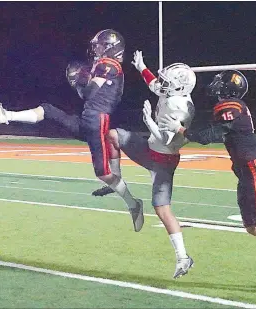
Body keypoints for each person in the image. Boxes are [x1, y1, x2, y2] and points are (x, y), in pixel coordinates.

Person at [0, 29, 144, 233]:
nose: (96, 49)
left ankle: (133, 203)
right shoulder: (109, 66)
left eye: (101, 45)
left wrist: (80, 81)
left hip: (97, 120)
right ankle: (7, 115)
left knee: (103, 173)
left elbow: (89, 93)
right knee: (48, 110)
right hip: (89, 119)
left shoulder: (108, 65)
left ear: (111, 47)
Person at [159, 69, 256, 289]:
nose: (216, 84)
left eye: (221, 82)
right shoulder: (232, 108)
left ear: (229, 88)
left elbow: (209, 136)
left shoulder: (232, 107)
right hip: (243, 172)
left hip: (253, 170)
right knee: (252, 227)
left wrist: (181, 129)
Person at [92, 50, 196, 279]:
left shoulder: (180, 107)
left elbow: (167, 141)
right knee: (113, 135)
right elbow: (154, 84)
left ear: (180, 87)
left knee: (162, 209)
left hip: (164, 161)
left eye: (168, 82)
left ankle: (183, 257)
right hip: (149, 149)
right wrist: (141, 67)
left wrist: (149, 122)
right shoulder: (171, 92)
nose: (163, 84)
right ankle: (115, 181)